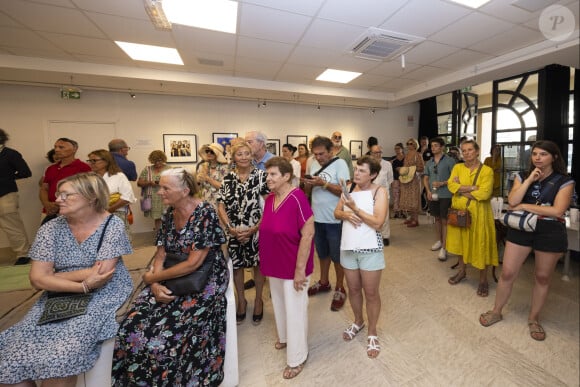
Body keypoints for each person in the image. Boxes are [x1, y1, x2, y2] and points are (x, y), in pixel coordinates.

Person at [0, 172, 133, 386]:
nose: (57, 199)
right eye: (58, 194)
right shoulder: (50, 228)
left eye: (66, 195)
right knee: (10, 359)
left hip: (102, 293)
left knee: (63, 354)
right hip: (59, 294)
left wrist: (51, 276)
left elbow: (101, 274)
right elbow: (36, 279)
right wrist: (81, 284)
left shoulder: (112, 225)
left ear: (91, 197)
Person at [112, 168, 228, 385]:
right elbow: (161, 252)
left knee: (167, 338)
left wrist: (151, 279)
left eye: (166, 188)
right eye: (160, 187)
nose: (159, 193)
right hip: (170, 273)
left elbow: (194, 263)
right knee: (131, 326)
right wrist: (155, 282)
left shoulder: (205, 213)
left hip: (203, 278)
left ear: (185, 190)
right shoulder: (168, 214)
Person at [479, 140, 574, 341]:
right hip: (521, 228)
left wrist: (524, 206)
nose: (537, 158)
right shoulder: (522, 176)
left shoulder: (564, 181)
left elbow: (557, 210)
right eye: (534, 154)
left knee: (542, 277)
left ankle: (533, 318)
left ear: (554, 157)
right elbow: (512, 201)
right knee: (508, 272)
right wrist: (530, 180)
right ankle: (496, 310)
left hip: (549, 231)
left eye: (543, 154)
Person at [259, 157, 314, 379]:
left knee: (295, 311)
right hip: (275, 263)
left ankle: (297, 357)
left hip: (294, 266)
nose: (268, 178)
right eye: (267, 174)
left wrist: (300, 270)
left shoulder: (297, 197)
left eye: (272, 174)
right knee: (280, 305)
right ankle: (285, 338)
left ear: (286, 176)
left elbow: (308, 233)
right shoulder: (271, 198)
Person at [333, 156, 388, 359]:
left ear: (373, 174)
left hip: (370, 248)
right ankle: (358, 321)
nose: (356, 173)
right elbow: (336, 212)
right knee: (353, 289)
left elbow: (378, 222)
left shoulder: (379, 191)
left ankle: (372, 331)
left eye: (362, 171)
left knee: (371, 292)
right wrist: (345, 214)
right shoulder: (348, 188)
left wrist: (355, 209)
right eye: (356, 169)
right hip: (348, 246)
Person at [217, 141, 269, 325]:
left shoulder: (261, 176)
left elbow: (269, 204)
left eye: (247, 153)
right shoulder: (228, 178)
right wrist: (229, 227)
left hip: (256, 230)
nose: (244, 157)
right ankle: (241, 300)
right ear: (234, 157)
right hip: (234, 231)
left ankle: (258, 300)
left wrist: (256, 228)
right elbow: (220, 205)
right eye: (240, 154)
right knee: (237, 266)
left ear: (252, 155)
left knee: (258, 265)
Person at [303, 136, 350, 311]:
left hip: (335, 219)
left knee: (337, 255)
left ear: (330, 151)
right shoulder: (312, 162)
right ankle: (324, 282)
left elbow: (345, 191)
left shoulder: (341, 164)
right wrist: (308, 184)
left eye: (322, 154)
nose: (318, 157)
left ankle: (340, 286)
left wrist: (324, 183)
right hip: (318, 217)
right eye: (315, 154)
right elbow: (308, 192)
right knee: (322, 253)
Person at [446, 140, 498, 297]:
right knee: (461, 242)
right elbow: (450, 185)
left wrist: (460, 188)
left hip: (479, 214)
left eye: (470, 150)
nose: (467, 153)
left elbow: (484, 194)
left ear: (477, 151)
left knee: (480, 243)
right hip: (459, 211)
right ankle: (462, 271)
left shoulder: (487, 171)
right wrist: (471, 188)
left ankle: (483, 280)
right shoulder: (457, 167)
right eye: (464, 150)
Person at [0, 128, 32, 265]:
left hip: (5, 194)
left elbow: (26, 172)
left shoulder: (10, 154)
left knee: (12, 226)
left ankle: (23, 254)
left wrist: (6, 178)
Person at [39, 137, 91, 222]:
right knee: (45, 234)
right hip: (49, 211)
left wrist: (60, 204)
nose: (57, 150)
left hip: (71, 212)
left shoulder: (83, 167)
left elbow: (85, 191)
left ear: (74, 149)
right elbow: (44, 189)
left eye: (61, 147)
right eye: (55, 147)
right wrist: (47, 204)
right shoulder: (51, 168)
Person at [87, 150, 136, 236]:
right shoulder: (89, 177)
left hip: (116, 214)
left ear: (106, 161)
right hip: (94, 215)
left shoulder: (118, 176)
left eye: (94, 160)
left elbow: (127, 197)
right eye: (90, 161)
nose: (91, 163)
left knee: (118, 243)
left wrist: (108, 210)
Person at [422, 137, 456, 261]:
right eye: (432, 146)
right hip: (432, 195)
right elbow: (425, 178)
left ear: (442, 147)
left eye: (436, 145)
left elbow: (455, 179)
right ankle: (439, 241)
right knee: (436, 218)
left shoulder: (450, 161)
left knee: (444, 220)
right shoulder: (429, 162)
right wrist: (428, 190)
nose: (433, 148)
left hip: (445, 195)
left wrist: (442, 183)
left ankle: (445, 247)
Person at [137, 150, 171, 232]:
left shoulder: (169, 169)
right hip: (152, 197)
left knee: (168, 216)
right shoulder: (147, 169)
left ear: (163, 159)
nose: (157, 163)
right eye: (155, 161)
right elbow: (139, 183)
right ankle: (159, 237)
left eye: (159, 160)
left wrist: (163, 182)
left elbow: (174, 182)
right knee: (157, 218)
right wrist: (149, 182)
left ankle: (168, 236)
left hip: (165, 196)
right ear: (152, 160)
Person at [369, 144, 393, 245]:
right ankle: (372, 235)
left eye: (379, 152)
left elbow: (390, 180)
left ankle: (385, 236)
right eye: (375, 152)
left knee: (385, 216)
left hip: (383, 194)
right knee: (371, 215)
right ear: (371, 153)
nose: (378, 154)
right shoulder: (368, 164)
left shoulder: (387, 164)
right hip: (370, 194)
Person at [399, 138, 424, 227]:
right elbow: (405, 166)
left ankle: (416, 220)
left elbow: (422, 167)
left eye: (411, 143)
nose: (409, 145)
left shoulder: (418, 155)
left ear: (415, 144)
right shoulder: (407, 155)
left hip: (414, 180)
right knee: (408, 199)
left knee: (414, 199)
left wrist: (412, 169)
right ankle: (411, 218)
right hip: (406, 179)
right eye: (408, 143)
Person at [196, 143, 230, 209]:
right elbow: (198, 187)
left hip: (219, 203)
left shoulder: (225, 168)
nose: (209, 153)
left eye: (212, 152)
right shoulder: (202, 166)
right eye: (207, 151)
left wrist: (207, 178)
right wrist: (198, 181)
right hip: (205, 201)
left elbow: (224, 187)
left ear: (218, 154)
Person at [390, 143, 405, 219]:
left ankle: (402, 212)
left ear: (402, 149)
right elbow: (390, 169)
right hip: (395, 179)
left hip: (405, 179)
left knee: (403, 196)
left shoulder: (406, 158)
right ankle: (396, 212)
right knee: (396, 196)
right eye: (395, 148)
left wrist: (401, 169)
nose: (397, 150)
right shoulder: (393, 158)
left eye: (398, 148)